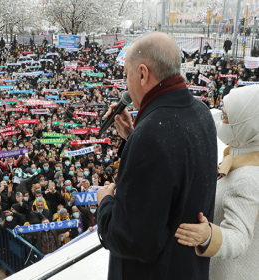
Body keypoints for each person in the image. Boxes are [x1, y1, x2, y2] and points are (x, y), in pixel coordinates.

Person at [96, 32, 218, 280]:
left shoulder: (151, 134)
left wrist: (105, 204)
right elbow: (173, 169)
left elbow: (132, 238)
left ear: (142, 73)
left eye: (127, 74)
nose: (126, 84)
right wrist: (133, 135)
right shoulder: (202, 112)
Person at [175, 87, 259, 280]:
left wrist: (208, 236)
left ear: (248, 126)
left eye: (227, 117)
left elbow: (239, 237)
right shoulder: (239, 156)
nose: (221, 120)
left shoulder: (248, 178)